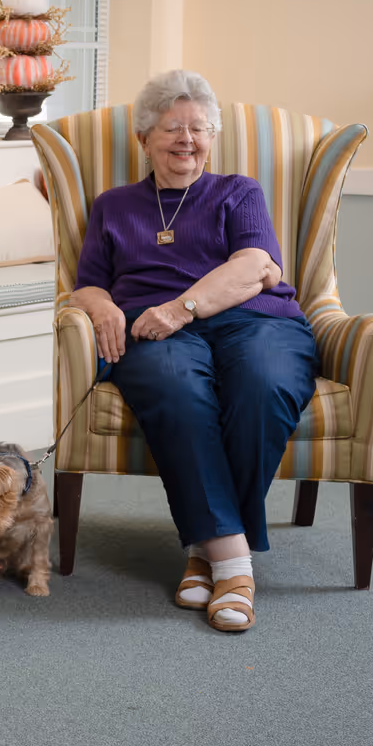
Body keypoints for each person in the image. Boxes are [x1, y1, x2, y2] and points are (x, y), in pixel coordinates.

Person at [70, 69, 317, 634]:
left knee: (263, 386)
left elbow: (256, 266)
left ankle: (208, 553)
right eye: (172, 128)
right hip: (150, 333)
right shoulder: (114, 206)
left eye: (199, 129)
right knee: (178, 395)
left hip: (253, 322)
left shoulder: (239, 191)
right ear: (144, 139)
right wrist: (102, 305)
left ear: (212, 138)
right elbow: (88, 280)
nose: (187, 139)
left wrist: (181, 308)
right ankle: (234, 562)